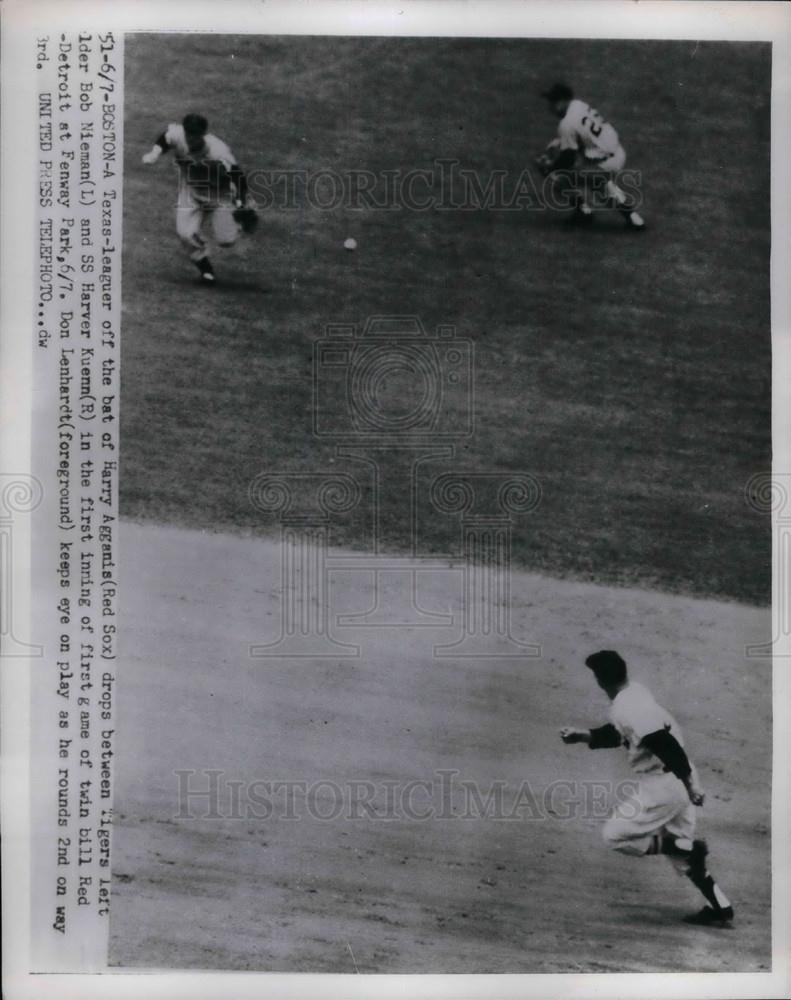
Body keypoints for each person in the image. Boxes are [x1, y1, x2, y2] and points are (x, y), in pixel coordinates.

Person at [560, 650, 734, 926]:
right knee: (684, 860)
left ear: (599, 680)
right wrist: (586, 736)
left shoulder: (629, 707)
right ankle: (721, 907)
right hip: (676, 780)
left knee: (615, 836)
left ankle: (687, 846)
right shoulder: (634, 694)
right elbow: (624, 733)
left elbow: (664, 744)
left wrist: (690, 785)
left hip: (665, 784)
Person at [141, 113, 254, 282]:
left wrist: (241, 202)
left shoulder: (218, 151)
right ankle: (205, 268)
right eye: (189, 133)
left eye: (196, 134)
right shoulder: (178, 135)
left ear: (203, 134)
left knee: (226, 241)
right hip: (191, 192)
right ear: (185, 131)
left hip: (220, 195)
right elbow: (165, 138)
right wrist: (154, 154)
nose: (191, 138)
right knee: (185, 233)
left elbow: (237, 176)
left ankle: (246, 217)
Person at [536, 83, 645, 229]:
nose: (550, 106)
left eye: (553, 101)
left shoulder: (566, 124)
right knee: (596, 185)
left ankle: (584, 212)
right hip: (615, 151)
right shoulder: (578, 105)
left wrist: (550, 168)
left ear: (562, 101)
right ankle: (633, 218)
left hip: (604, 162)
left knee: (560, 177)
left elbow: (568, 158)